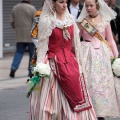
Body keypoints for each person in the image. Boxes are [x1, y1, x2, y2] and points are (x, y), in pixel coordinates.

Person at [29, 0, 97, 120]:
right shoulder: (47, 20)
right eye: (61, 2)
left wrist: (79, 62)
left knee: (78, 94)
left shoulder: (70, 19)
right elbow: (42, 45)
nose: (65, 5)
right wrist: (40, 67)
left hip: (70, 62)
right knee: (51, 103)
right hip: (53, 63)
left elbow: (75, 44)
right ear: (53, 3)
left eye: (66, 2)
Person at [76, 0, 120, 120]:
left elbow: (110, 40)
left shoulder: (105, 21)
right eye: (87, 6)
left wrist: (116, 59)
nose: (89, 8)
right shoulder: (82, 22)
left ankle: (101, 113)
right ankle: (89, 111)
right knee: (89, 83)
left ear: (97, 6)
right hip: (86, 54)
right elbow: (75, 40)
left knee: (102, 84)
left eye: (91, 6)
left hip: (103, 55)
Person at [9, 0, 36, 77]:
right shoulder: (32, 8)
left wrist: (17, 29)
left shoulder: (15, 8)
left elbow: (11, 22)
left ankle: (13, 68)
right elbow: (36, 21)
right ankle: (31, 71)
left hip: (19, 34)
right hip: (31, 35)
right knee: (32, 54)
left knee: (19, 52)